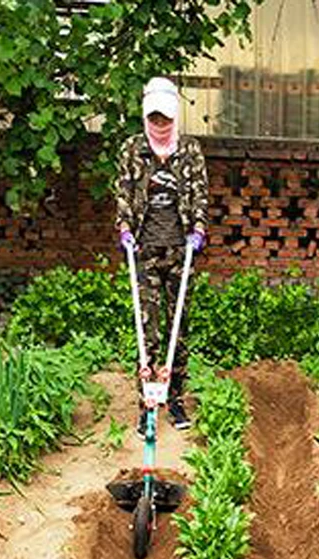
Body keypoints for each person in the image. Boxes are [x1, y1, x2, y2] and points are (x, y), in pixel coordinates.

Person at [115, 76, 208, 437]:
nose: (160, 124)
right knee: (147, 331)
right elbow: (123, 192)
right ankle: (147, 405)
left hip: (181, 251)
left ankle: (176, 398)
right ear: (144, 114)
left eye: (165, 118)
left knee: (178, 329)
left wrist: (198, 229)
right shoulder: (131, 150)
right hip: (143, 251)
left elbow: (200, 193)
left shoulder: (190, 151)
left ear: (175, 115)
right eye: (154, 118)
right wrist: (124, 227)